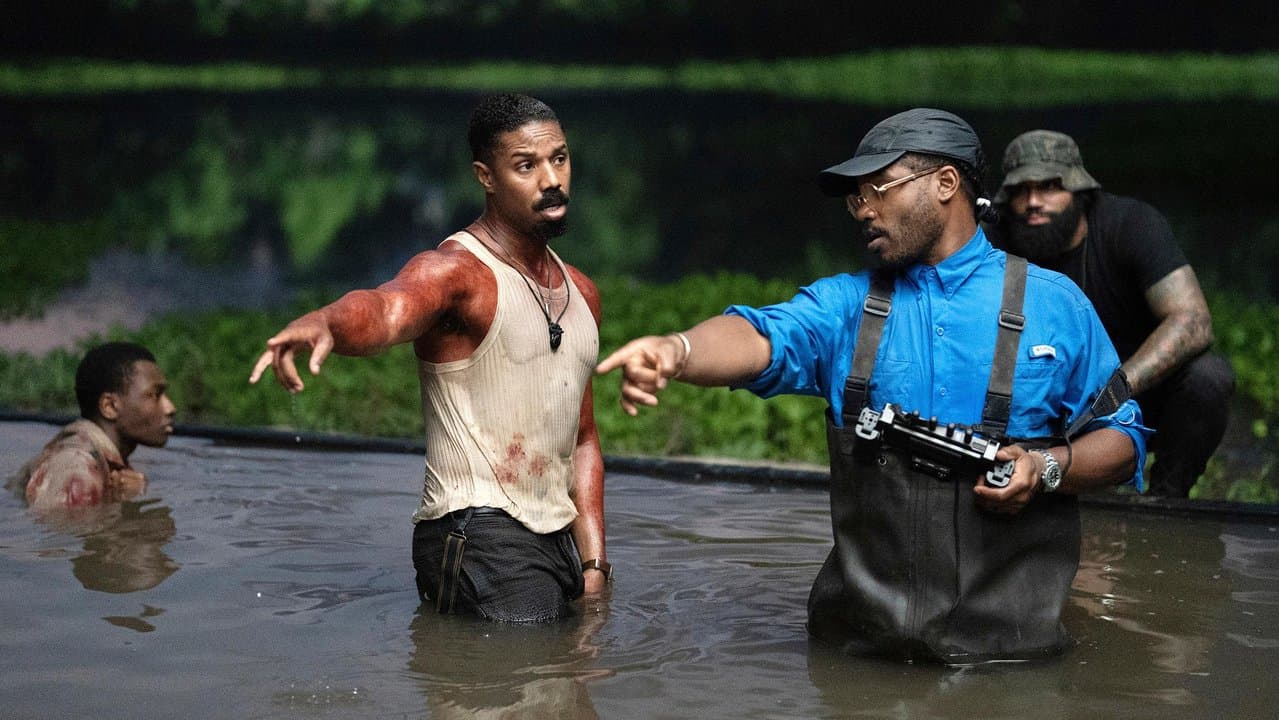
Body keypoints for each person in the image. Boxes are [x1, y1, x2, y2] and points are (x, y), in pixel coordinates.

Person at [596, 108, 1149, 663]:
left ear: (945, 183)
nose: (863, 209)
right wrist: (678, 350)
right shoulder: (846, 307)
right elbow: (761, 336)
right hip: (855, 655)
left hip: (1012, 660)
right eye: (855, 198)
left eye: (877, 189)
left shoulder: (1055, 306)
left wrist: (1046, 467)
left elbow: (1123, 442)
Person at [249, 93, 608, 622]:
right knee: (533, 666)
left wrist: (594, 565)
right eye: (525, 166)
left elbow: (582, 440)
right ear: (486, 177)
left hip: (558, 542)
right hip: (478, 531)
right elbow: (387, 309)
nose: (551, 180)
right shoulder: (457, 272)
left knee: (572, 665)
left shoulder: (582, 293)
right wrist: (327, 322)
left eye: (559, 158)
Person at [990, 130, 1234, 498]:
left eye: (1050, 186)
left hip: (1134, 390)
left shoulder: (1129, 224)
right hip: (1041, 398)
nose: (1033, 202)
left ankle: (1166, 501)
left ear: (1079, 189)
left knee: (1208, 379)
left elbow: (1192, 320)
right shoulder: (996, 237)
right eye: (1021, 190)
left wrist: (1115, 389)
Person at [14, 341, 176, 512]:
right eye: (154, 395)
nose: (170, 408)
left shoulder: (103, 460)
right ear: (109, 407)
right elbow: (61, 528)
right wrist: (130, 505)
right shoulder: (77, 467)